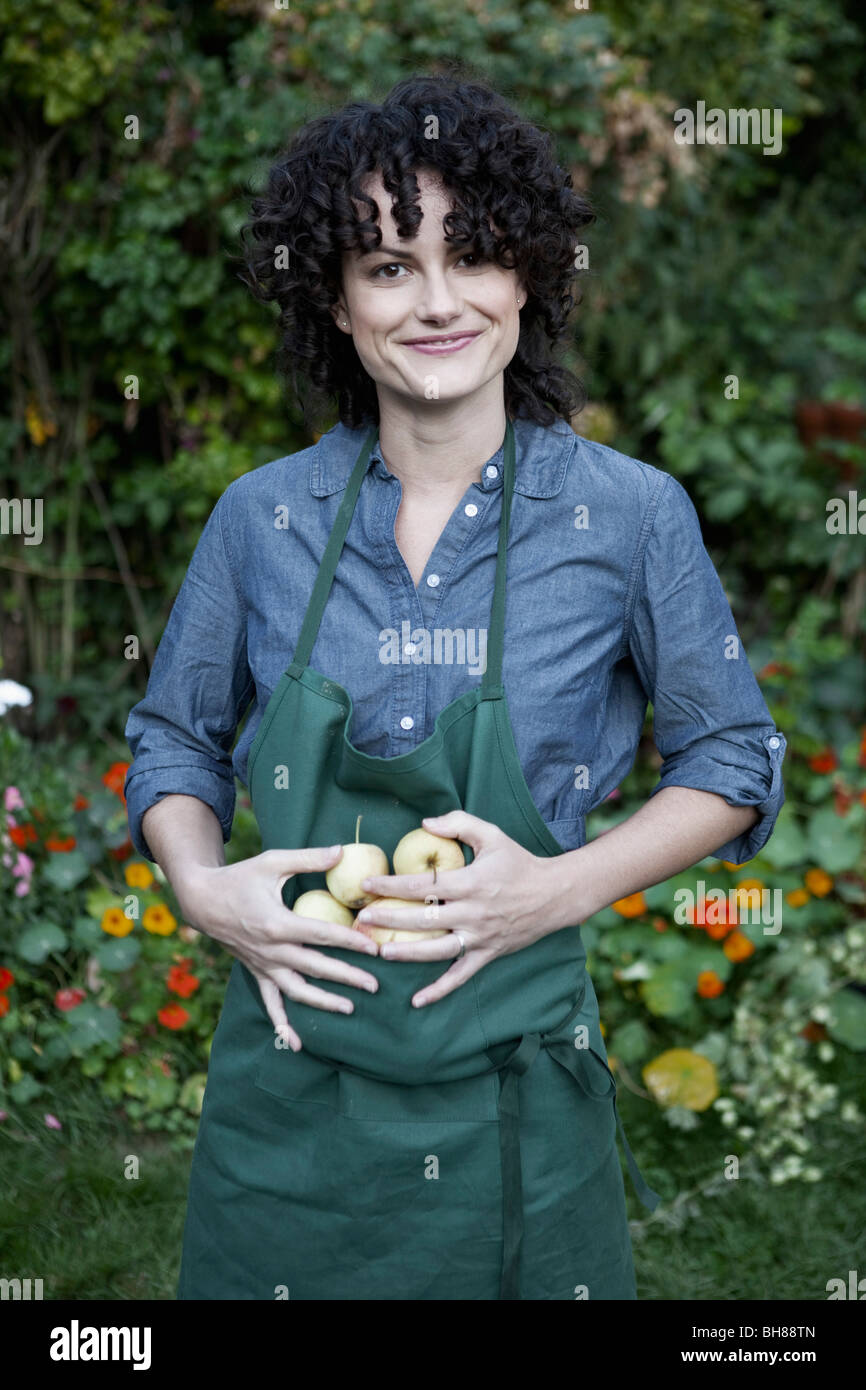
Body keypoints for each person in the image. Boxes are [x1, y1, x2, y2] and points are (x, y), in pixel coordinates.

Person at [124, 69, 787, 1301]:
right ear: (333, 299)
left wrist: (552, 890)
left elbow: (732, 759)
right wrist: (201, 884)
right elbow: (172, 741)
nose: (436, 303)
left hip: (517, 1102)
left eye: (470, 257)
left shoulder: (627, 516)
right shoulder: (260, 519)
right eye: (387, 267)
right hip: (289, 1096)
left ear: (526, 275)